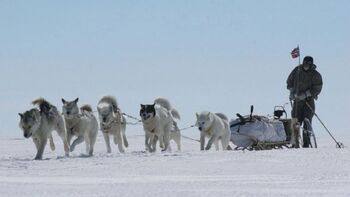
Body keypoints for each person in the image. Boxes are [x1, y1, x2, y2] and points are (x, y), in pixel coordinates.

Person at [287, 56, 323, 148]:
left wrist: (306, 94)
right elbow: (289, 81)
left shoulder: (315, 75)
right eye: (305, 63)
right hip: (297, 100)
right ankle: (295, 143)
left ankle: (306, 143)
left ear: (311, 65)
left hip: (308, 101)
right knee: (295, 121)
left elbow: (317, 87)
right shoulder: (297, 71)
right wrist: (291, 92)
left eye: (308, 64)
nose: (306, 65)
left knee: (307, 121)